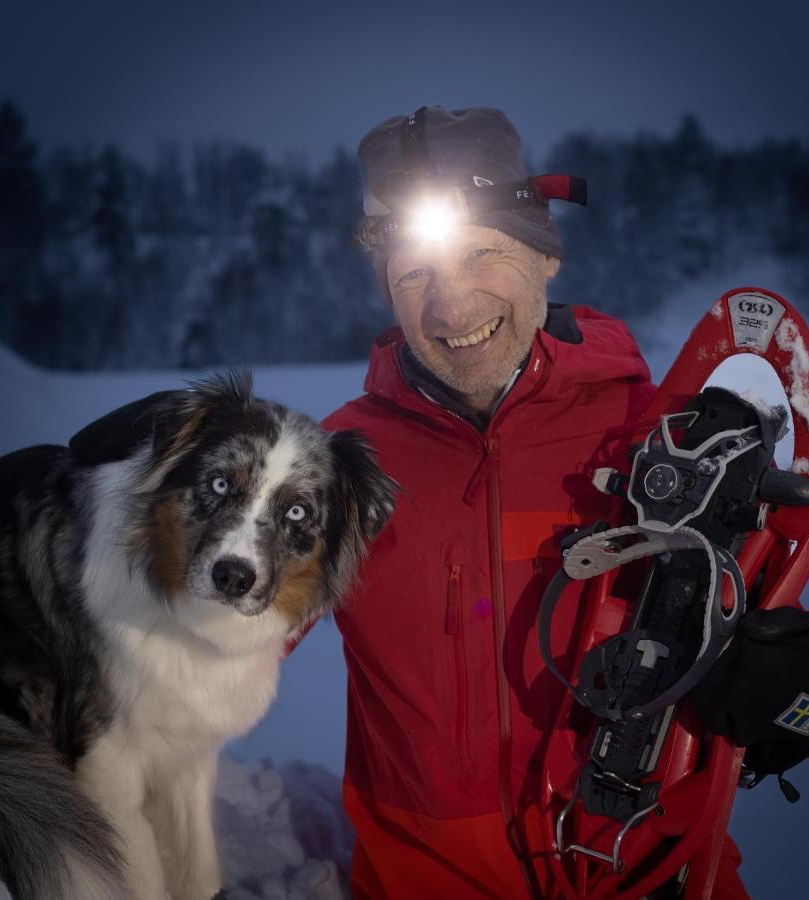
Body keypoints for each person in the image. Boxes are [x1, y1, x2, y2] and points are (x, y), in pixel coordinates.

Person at [320, 105, 748, 898]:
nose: (450, 309)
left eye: (482, 253)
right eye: (413, 272)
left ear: (547, 257)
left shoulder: (650, 436)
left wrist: (785, 669)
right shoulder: (339, 465)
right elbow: (201, 626)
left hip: (651, 870)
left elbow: (745, 616)